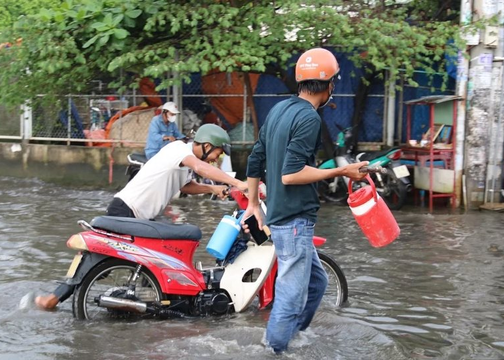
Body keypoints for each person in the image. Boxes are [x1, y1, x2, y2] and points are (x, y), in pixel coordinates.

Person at [34, 124, 248, 310]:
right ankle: (54, 298)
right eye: (217, 153)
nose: (216, 159)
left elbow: (185, 187)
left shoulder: (184, 162)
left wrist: (214, 189)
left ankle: (149, 304)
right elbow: (200, 167)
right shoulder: (178, 149)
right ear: (206, 145)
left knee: (154, 260)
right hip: (126, 210)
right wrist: (238, 183)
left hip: (142, 217)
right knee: (99, 259)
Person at [241, 48, 369, 354]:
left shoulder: (280, 109)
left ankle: (292, 336)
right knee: (291, 294)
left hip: (282, 214)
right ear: (329, 85)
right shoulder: (309, 118)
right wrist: (343, 170)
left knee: (317, 284)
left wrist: (253, 204)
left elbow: (256, 157)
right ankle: (273, 349)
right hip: (294, 218)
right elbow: (291, 174)